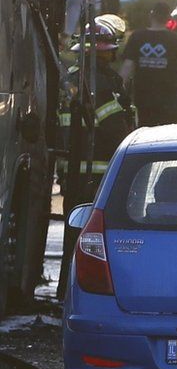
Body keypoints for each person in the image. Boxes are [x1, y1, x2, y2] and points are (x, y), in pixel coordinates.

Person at [56, 18, 134, 298]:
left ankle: (65, 291)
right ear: (103, 52)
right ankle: (83, 294)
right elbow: (116, 132)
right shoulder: (99, 84)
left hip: (71, 172)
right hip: (98, 174)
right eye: (110, 50)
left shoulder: (68, 79)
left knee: (73, 232)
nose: (113, 55)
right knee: (97, 238)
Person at [119, 2, 177, 126]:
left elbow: (127, 68)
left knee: (146, 136)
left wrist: (118, 91)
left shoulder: (137, 37)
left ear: (151, 15)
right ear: (168, 19)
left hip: (144, 99)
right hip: (169, 100)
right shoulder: (175, 39)